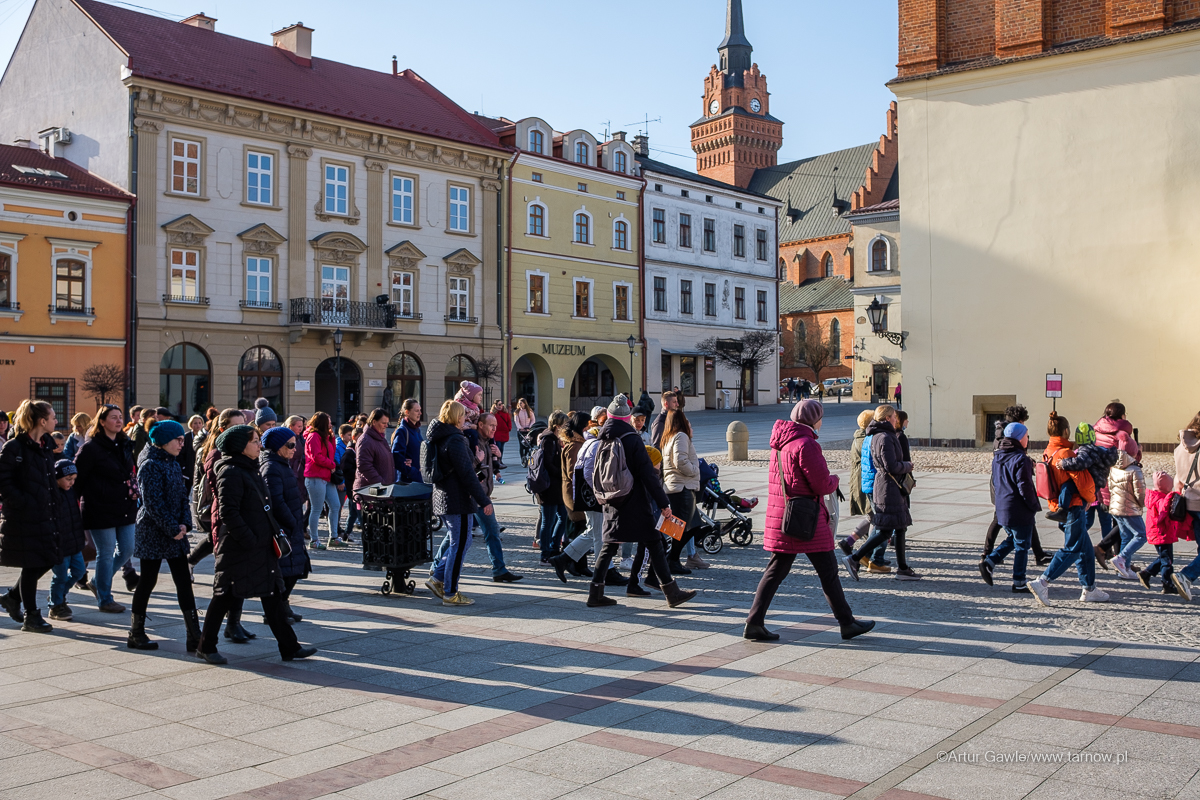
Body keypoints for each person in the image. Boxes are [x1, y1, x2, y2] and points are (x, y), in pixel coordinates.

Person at [745, 400, 873, 641]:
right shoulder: (806, 444)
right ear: (814, 420)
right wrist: (835, 480)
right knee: (828, 571)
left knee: (775, 571)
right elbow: (821, 484)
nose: (822, 422)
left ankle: (754, 622)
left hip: (784, 517)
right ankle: (847, 623)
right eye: (820, 418)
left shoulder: (781, 443)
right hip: (807, 519)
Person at [195, 425, 316, 664]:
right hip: (239, 548)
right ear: (240, 446)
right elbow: (228, 513)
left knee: (274, 595)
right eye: (254, 441)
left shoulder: (250, 468)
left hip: (261, 545)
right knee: (224, 596)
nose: (259, 445)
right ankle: (206, 646)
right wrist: (249, 538)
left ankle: (290, 647)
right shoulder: (230, 471)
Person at [585, 395, 694, 609]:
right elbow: (648, 474)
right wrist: (663, 503)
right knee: (654, 542)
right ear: (627, 418)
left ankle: (595, 593)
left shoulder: (603, 438)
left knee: (610, 545)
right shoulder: (632, 439)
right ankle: (671, 592)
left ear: (609, 417)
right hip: (634, 500)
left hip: (612, 499)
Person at [126, 420, 202, 651]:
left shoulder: (172, 462)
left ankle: (194, 635)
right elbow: (153, 504)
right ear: (163, 441)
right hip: (153, 531)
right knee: (148, 580)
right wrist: (172, 529)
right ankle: (136, 632)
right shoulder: (150, 465)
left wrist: (185, 524)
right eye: (177, 440)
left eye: (182, 439)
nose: (182, 444)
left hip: (175, 530)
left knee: (183, 581)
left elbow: (182, 497)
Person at [430, 411, 521, 586]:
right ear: (480, 425)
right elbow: (466, 470)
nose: (494, 429)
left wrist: (498, 456)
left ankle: (499, 570)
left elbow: (488, 468)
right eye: (491, 425)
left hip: (482, 494)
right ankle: (439, 570)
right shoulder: (470, 442)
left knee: (481, 533)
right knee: (461, 536)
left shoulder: (488, 443)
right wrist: (479, 469)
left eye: (496, 426)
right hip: (473, 495)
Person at [1027, 413, 1108, 606]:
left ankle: (1089, 589)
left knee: (1085, 549)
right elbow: (1083, 482)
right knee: (1073, 548)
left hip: (1058, 508)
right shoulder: (1066, 454)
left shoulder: (1048, 451)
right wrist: (1090, 498)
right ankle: (1043, 582)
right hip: (1074, 507)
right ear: (1065, 431)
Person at [190, 408, 255, 643]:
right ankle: (224, 629)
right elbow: (223, 493)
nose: (241, 431)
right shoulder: (217, 455)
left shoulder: (239, 453)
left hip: (239, 519)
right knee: (230, 577)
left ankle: (234, 623)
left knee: (239, 574)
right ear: (223, 429)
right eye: (235, 427)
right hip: (226, 521)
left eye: (243, 426)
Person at [423, 401, 494, 606]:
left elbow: (464, 468)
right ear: (456, 417)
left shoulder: (441, 436)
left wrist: (477, 464)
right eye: (463, 415)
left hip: (445, 497)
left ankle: (438, 577)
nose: (466, 418)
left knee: (462, 541)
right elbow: (467, 474)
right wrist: (484, 500)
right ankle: (450, 592)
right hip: (457, 499)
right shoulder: (455, 439)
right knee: (459, 543)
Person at [0, 401, 61, 632]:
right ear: (42, 421)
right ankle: (31, 616)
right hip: (23, 516)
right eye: (53, 417)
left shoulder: (46, 445)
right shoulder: (14, 447)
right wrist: (24, 502)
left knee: (49, 557)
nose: (56, 421)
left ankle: (13, 597)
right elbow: (4, 482)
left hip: (46, 513)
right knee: (32, 562)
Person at [74, 404, 138, 613]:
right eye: (113, 417)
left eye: (120, 417)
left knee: (127, 549)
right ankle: (105, 598)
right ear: (101, 422)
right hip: (99, 508)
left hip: (124, 506)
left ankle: (97, 581)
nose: (119, 421)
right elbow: (77, 480)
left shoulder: (124, 443)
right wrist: (71, 508)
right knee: (106, 552)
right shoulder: (90, 448)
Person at [850, 405, 921, 581]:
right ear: (888, 418)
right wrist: (907, 466)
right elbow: (890, 466)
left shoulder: (881, 435)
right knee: (885, 531)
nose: (897, 420)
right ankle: (855, 558)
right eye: (894, 417)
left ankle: (902, 568)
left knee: (900, 527)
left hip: (890, 487)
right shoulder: (884, 437)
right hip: (888, 488)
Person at [982, 405, 1049, 567]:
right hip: (1006, 485)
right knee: (1004, 523)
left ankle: (1038, 553)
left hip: (1002, 482)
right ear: (1019, 422)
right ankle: (988, 555)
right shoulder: (1010, 437)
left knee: (1019, 524)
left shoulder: (1002, 435)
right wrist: (1032, 503)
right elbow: (1016, 469)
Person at [980, 423, 1040, 593]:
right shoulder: (1021, 459)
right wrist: (1033, 505)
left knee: (1014, 539)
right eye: (1026, 436)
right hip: (1018, 508)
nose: (1028, 439)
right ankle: (1019, 581)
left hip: (1002, 507)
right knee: (1022, 545)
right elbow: (1024, 487)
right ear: (1020, 438)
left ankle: (990, 562)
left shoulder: (998, 456)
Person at [260, 426, 310, 622]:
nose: (294, 449)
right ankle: (275, 611)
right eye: (290, 445)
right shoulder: (271, 467)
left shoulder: (282, 464)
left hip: (292, 525)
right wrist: (292, 521)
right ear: (277, 446)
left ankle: (283, 605)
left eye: (295, 444)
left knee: (296, 569)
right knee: (285, 572)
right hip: (283, 527)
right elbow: (275, 501)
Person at [549, 412, 595, 582]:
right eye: (588, 424)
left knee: (581, 528)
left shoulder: (576, 442)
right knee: (580, 528)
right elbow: (573, 472)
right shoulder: (575, 445)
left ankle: (579, 565)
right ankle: (570, 562)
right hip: (575, 492)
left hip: (575, 490)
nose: (590, 428)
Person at [45, 460, 86, 621]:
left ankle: (58, 595)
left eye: (74, 479)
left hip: (74, 541)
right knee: (60, 576)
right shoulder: (51, 494)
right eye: (68, 479)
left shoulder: (71, 492)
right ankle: (55, 605)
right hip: (58, 544)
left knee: (79, 571)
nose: (71, 482)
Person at [661, 409, 701, 575]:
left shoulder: (668, 437)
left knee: (683, 526)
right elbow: (680, 461)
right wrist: (695, 470)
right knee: (684, 527)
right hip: (682, 486)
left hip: (675, 486)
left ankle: (670, 559)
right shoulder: (681, 436)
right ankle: (671, 559)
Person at [1139, 471, 1191, 595]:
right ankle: (1167, 584)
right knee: (1167, 561)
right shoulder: (1161, 499)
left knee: (1164, 558)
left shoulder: (1154, 496)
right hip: (1162, 534)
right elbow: (1164, 513)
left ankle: (1146, 573)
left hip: (1157, 534)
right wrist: (1173, 496)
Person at [1171, 412, 1200, 599]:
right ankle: (1186, 575)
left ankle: (1188, 577)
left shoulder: (1180, 448)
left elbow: (1178, 478)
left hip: (1190, 502)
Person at [533, 411, 569, 563]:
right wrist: (562, 474)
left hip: (557, 486)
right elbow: (547, 464)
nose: (567, 427)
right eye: (565, 424)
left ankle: (554, 547)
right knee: (548, 521)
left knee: (563, 517)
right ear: (557, 426)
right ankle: (545, 553)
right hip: (548, 487)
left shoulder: (556, 440)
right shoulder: (548, 440)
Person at [1107, 450, 1148, 580]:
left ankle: (1125, 569)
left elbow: (1110, 487)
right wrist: (1141, 505)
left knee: (1127, 536)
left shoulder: (1114, 467)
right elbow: (1140, 493)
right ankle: (1121, 558)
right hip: (1130, 509)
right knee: (1141, 535)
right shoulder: (1135, 470)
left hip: (1116, 508)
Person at [302, 412, 340, 551]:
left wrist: (332, 438)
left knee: (335, 505)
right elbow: (316, 456)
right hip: (315, 476)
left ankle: (334, 537)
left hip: (326, 476)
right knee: (316, 509)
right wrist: (332, 464)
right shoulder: (313, 436)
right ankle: (314, 540)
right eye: (328, 421)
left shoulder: (325, 436)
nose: (331, 423)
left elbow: (331, 452)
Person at [354, 408, 396, 492]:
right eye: (383, 423)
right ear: (374, 422)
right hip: (369, 492)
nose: (386, 426)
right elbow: (365, 466)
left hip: (381, 491)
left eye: (387, 423)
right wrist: (381, 484)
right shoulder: (365, 440)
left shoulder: (381, 439)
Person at [391, 399, 424, 484]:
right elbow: (397, 457)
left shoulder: (417, 430)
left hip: (418, 480)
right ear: (407, 412)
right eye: (417, 411)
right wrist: (412, 471)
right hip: (406, 482)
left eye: (420, 410)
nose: (420, 413)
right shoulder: (402, 431)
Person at [339, 428, 360, 540]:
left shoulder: (357, 450)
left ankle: (347, 533)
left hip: (355, 486)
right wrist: (357, 472)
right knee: (359, 511)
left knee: (353, 512)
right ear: (354, 437)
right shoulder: (349, 452)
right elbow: (345, 469)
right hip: (351, 486)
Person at [283, 415, 307, 496]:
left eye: (302, 426)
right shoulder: (287, 438)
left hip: (299, 470)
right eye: (299, 426)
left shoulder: (299, 438)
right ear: (291, 426)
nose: (301, 429)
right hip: (291, 470)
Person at [491, 400, 512, 472]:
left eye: (501, 404)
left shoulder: (505, 413)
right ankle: (497, 460)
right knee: (498, 446)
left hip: (504, 432)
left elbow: (509, 421)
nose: (501, 406)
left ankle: (500, 460)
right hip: (496, 432)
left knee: (502, 448)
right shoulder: (493, 413)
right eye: (499, 404)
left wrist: (509, 428)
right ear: (495, 405)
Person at [514, 398, 536, 465]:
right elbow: (516, 421)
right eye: (519, 403)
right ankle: (522, 458)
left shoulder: (529, 411)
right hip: (521, 431)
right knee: (521, 445)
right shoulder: (517, 412)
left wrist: (530, 427)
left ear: (524, 403)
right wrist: (520, 427)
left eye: (521, 403)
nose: (520, 404)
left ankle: (526, 456)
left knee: (528, 444)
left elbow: (533, 420)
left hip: (528, 430)